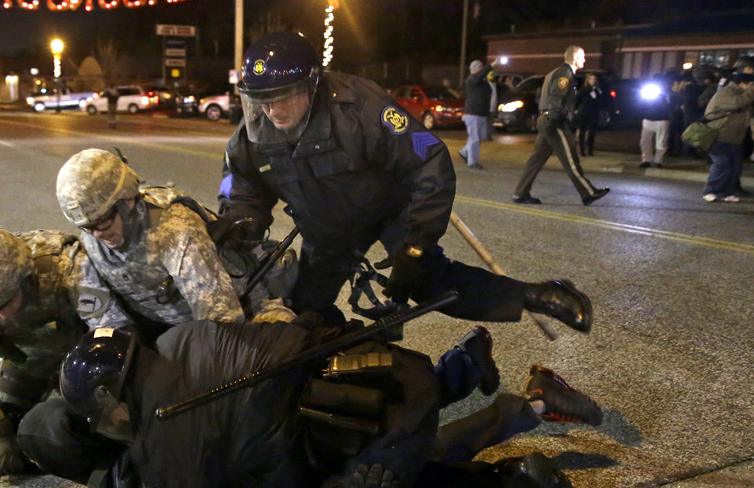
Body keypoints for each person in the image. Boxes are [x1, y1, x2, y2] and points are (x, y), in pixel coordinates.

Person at [17, 320, 600, 488]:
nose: (111, 430)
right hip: (392, 376)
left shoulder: (167, 436)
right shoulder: (179, 339)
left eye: (104, 420)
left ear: (109, 403)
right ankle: (515, 476)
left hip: (376, 438)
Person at [218, 31, 594, 334]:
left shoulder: (361, 107)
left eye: (282, 97)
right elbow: (241, 177)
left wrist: (416, 244)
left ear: (310, 85)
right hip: (326, 223)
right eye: (261, 100)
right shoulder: (257, 129)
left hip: (387, 208)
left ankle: (539, 294)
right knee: (302, 309)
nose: (271, 110)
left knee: (429, 282)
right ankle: (347, 350)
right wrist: (240, 216)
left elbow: (429, 159)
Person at [0, 226, 127, 480]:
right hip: (38, 358)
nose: (2, 315)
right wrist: (0, 439)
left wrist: (102, 398)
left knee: (113, 425)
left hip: (87, 353)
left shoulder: (65, 269)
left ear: (25, 277)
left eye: (6, 302)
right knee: (19, 431)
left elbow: (115, 334)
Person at [56, 148, 294, 341]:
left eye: (103, 221)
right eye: (87, 226)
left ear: (127, 202)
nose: (97, 234)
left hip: (243, 314)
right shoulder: (92, 240)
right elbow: (108, 327)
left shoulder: (174, 230)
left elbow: (221, 324)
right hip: (168, 328)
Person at [513, 46, 609, 206]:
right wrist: (557, 118)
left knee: (536, 160)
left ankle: (520, 193)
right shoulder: (564, 74)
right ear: (574, 58)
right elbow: (556, 97)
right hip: (554, 122)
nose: (585, 60)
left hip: (546, 120)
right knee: (571, 158)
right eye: (583, 56)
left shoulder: (555, 72)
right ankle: (588, 192)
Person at [700, 72, 754, 203]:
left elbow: (750, 115)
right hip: (718, 135)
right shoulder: (726, 92)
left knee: (735, 167)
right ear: (743, 84)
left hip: (735, 138)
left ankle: (727, 192)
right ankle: (710, 190)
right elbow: (736, 104)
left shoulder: (746, 96)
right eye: (751, 85)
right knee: (722, 163)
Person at [458, 59, 498, 169]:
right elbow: (479, 75)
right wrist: (491, 65)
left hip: (481, 114)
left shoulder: (483, 82)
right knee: (474, 138)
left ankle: (464, 151)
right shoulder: (471, 79)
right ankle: (472, 162)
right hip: (472, 113)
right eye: (480, 67)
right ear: (476, 69)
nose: (482, 69)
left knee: (481, 136)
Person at [638, 77, 674, 169]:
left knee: (661, 142)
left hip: (662, 119)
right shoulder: (646, 92)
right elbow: (641, 104)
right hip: (648, 119)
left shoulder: (666, 93)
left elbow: (669, 105)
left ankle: (658, 160)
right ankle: (646, 160)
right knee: (645, 141)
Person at [575, 73, 604, 157]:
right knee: (582, 131)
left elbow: (602, 101)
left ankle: (590, 150)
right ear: (588, 80)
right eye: (591, 79)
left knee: (592, 132)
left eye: (594, 79)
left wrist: (596, 97)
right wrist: (576, 109)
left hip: (594, 113)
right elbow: (578, 100)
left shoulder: (597, 90)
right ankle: (582, 150)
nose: (593, 81)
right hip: (584, 112)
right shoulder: (583, 90)